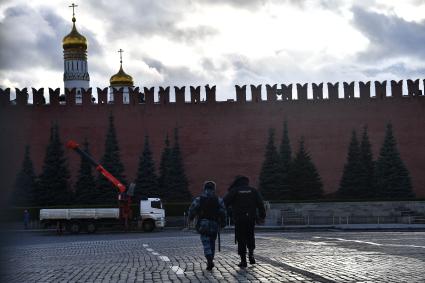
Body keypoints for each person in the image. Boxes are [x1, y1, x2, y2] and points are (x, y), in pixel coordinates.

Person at [224, 175, 266, 268]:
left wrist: (228, 214)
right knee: (250, 236)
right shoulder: (253, 190)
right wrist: (262, 216)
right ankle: (251, 254)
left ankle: (243, 261)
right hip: (251, 218)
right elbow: (260, 204)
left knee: (241, 239)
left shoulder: (235, 191)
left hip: (239, 219)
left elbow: (224, 203)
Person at [188, 181, 226, 271]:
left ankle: (209, 259)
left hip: (203, 224)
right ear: (214, 189)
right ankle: (211, 259)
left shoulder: (199, 199)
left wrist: (190, 218)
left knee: (206, 243)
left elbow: (192, 209)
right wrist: (223, 223)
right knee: (212, 243)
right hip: (214, 224)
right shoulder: (218, 199)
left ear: (204, 188)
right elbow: (223, 212)